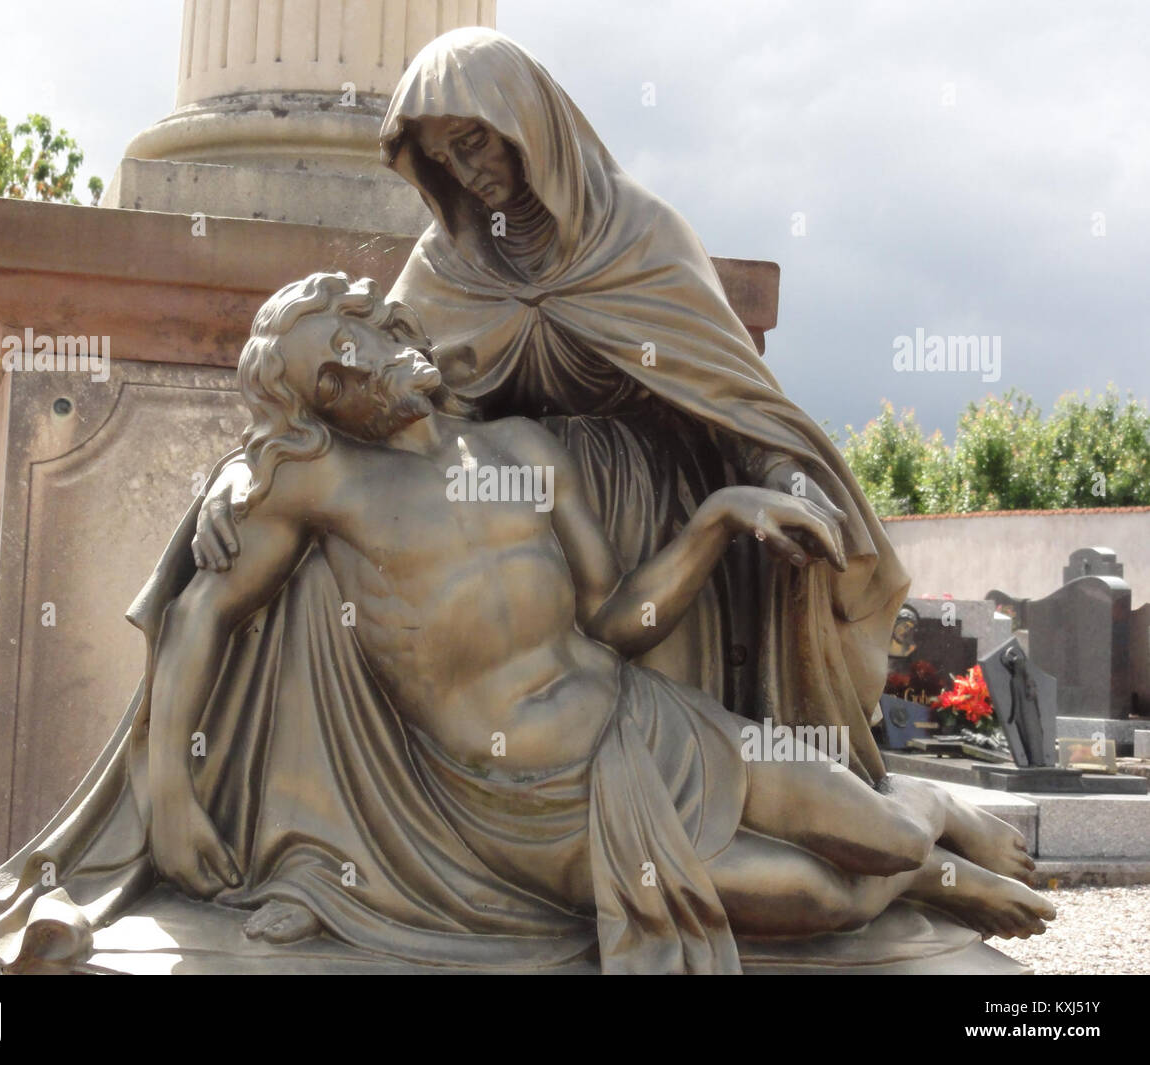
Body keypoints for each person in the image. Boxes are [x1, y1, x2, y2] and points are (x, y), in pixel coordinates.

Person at [157, 273, 1048, 971]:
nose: (352, 367)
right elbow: (204, 615)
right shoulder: (325, 484)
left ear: (385, 321)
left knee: (884, 832)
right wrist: (172, 790)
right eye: (327, 375)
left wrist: (721, 516)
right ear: (318, 409)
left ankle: (935, 816)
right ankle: (937, 875)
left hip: (645, 719)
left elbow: (617, 621)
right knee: (827, 899)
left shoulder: (521, 453)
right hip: (534, 805)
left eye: (347, 336)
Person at [196, 29, 909, 784]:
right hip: (502, 522)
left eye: (476, 141)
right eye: (443, 156)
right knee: (310, 571)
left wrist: (787, 480)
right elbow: (367, 390)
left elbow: (739, 405)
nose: (467, 170)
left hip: (639, 524)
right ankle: (313, 836)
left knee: (660, 775)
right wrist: (244, 470)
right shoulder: (446, 265)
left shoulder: (640, 238)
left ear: (527, 123)